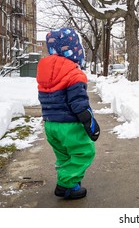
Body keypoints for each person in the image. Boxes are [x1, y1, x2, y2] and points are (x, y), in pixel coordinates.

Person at [36, 28, 100, 200]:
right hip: (69, 125)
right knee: (84, 152)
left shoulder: (44, 73)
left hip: (50, 124)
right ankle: (66, 184)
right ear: (74, 51)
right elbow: (78, 102)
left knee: (64, 155)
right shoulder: (74, 73)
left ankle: (71, 185)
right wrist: (89, 121)